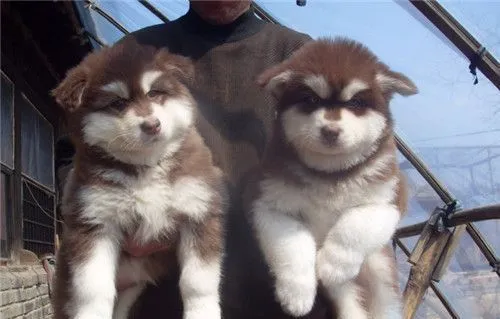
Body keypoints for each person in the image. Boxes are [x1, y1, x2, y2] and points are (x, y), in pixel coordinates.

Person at [56, 1, 332, 318]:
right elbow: (71, 151)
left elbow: (354, 165)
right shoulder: (138, 51)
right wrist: (113, 221)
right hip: (164, 297)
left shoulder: (297, 55)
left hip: (278, 294)